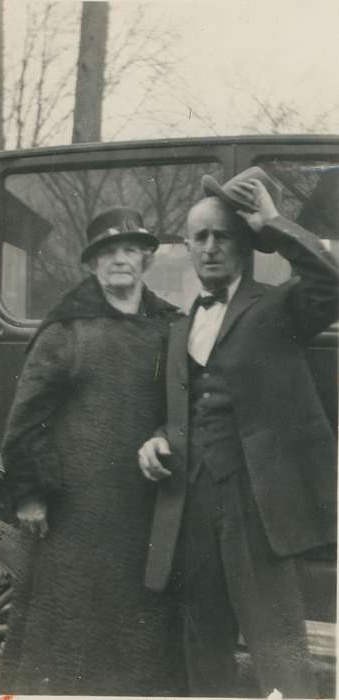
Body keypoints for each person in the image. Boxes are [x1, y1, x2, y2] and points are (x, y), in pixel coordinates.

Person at [138, 168, 338, 698]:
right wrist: (157, 437)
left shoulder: (275, 306)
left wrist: (273, 222)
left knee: (279, 645)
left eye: (221, 235)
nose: (208, 248)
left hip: (256, 505)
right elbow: (182, 408)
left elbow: (331, 282)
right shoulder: (181, 325)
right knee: (202, 641)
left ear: (244, 243)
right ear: (185, 245)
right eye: (198, 237)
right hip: (190, 502)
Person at [0, 206, 186, 695]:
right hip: (76, 512)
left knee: (138, 630)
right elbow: (24, 422)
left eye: (129, 249)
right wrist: (31, 495)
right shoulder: (67, 329)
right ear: (91, 264)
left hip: (143, 505)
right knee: (67, 632)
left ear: (146, 257)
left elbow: (185, 403)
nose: (119, 260)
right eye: (107, 252)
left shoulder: (170, 325)